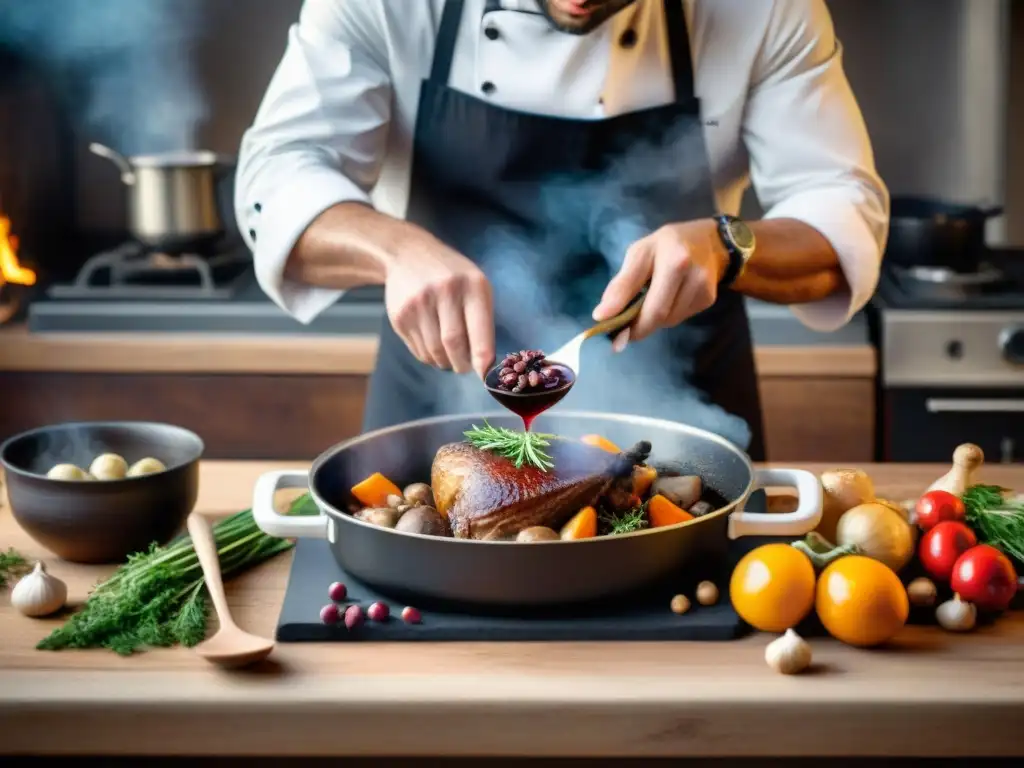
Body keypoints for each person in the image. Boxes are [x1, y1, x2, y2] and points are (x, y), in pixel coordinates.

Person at [235, 0, 889, 460]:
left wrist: (725, 245)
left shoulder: (765, 8)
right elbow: (276, 178)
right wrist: (394, 247)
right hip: (435, 418)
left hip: (684, 433)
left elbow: (839, 212)